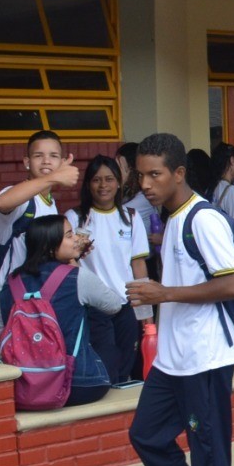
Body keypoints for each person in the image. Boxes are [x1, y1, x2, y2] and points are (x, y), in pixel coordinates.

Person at [126, 133, 234, 466]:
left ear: (178, 173)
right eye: (140, 175)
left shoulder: (203, 219)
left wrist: (164, 292)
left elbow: (232, 285)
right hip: (174, 359)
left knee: (207, 450)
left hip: (206, 357)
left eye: (155, 174)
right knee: (147, 435)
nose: (146, 184)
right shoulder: (171, 217)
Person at [2, 215, 125, 406]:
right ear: (49, 246)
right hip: (77, 385)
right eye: (69, 235)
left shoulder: (11, 282)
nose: (77, 239)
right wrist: (74, 266)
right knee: (106, 333)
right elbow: (114, 305)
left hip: (21, 386)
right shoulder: (77, 277)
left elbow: (0, 329)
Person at [0, 130, 81, 360]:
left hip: (32, 306)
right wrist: (54, 177)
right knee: (7, 381)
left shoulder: (49, 201)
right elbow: (2, 202)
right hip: (4, 306)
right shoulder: (20, 195)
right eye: (38, 155)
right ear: (26, 162)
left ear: (63, 161)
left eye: (54, 156)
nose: (46, 160)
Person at [66, 155, 150, 384]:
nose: (103, 186)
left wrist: (145, 313)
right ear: (87, 184)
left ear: (119, 182)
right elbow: (66, 264)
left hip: (125, 304)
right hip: (92, 307)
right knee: (105, 365)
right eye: (96, 180)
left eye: (109, 179)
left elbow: (138, 265)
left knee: (125, 366)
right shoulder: (75, 218)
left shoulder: (131, 218)